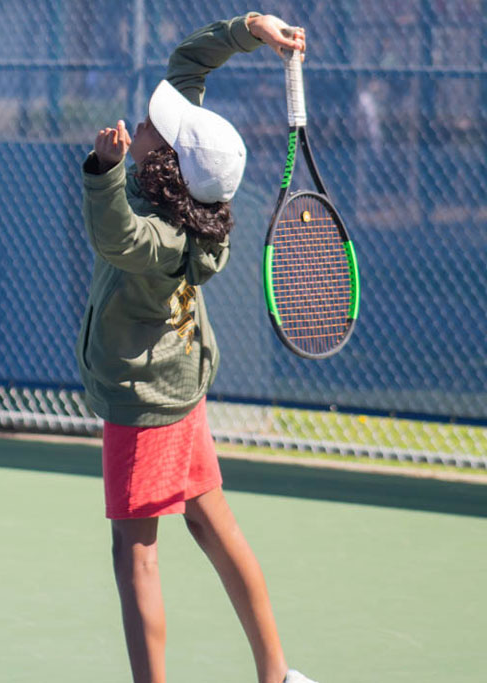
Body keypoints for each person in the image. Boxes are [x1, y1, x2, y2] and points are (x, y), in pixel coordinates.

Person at [77, 13, 318, 683]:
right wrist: (251, 27)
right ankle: (278, 673)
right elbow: (189, 62)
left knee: (136, 556)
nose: (148, 119)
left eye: (159, 128)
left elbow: (115, 236)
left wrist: (103, 169)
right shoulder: (184, 194)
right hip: (183, 386)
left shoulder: (158, 236)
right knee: (213, 524)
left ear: (166, 166)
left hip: (147, 400)